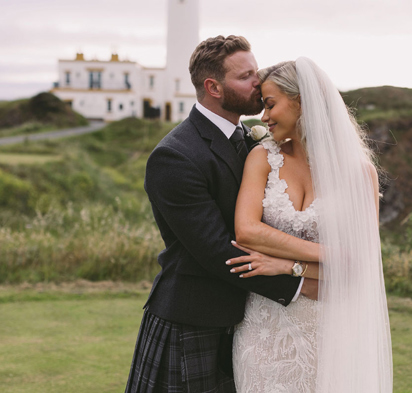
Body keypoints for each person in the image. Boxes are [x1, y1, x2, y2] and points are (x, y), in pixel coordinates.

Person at [124, 35, 318, 393]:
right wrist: (303, 282)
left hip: (247, 319)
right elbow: (217, 250)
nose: (257, 83)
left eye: (255, 72)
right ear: (213, 87)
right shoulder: (175, 156)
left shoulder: (255, 140)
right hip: (192, 319)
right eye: (245, 77)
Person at [227, 59, 393, 392]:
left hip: (330, 333)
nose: (264, 117)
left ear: (302, 101)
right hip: (262, 331)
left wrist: (288, 265)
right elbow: (246, 231)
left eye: (271, 104)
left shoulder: (360, 175)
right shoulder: (262, 158)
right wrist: (333, 256)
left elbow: (360, 268)